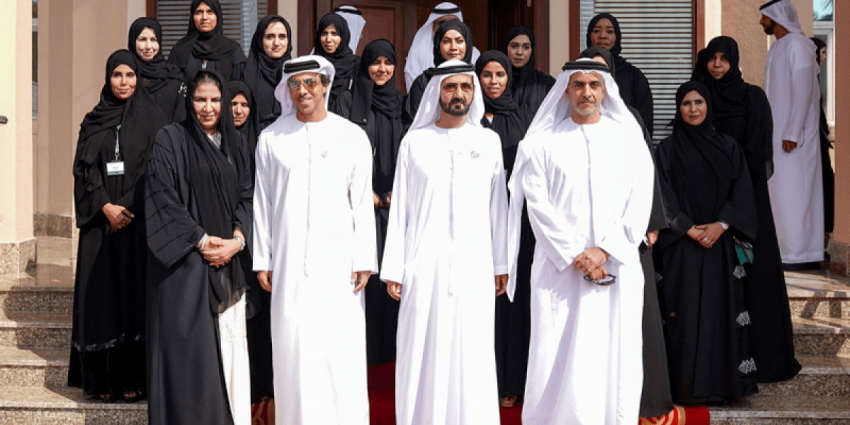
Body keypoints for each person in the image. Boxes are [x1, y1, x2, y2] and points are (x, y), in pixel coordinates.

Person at [507, 58, 654, 424]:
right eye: (578, 85)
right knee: (556, 352)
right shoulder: (542, 143)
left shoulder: (627, 139)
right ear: (566, 91)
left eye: (593, 84)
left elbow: (640, 200)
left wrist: (604, 250)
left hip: (616, 265)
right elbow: (537, 205)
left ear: (605, 91)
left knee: (614, 352)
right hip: (560, 271)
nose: (586, 92)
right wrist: (577, 254)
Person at [381, 59, 507, 425]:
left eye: (466, 87)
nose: (458, 93)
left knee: (472, 349)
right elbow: (401, 208)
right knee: (423, 347)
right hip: (424, 263)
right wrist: (395, 267)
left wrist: (500, 264)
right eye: (450, 87)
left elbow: (498, 208)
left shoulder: (488, 141)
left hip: (475, 263)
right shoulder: (414, 142)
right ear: (437, 92)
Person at [253, 55, 376, 425]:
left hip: (340, 266)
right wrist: (263, 259)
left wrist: (364, 258)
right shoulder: (271, 138)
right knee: (294, 349)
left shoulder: (351, 136)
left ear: (325, 85)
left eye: (310, 83)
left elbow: (361, 202)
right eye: (295, 84)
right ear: (287, 89)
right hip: (289, 264)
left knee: (339, 350)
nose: (303, 91)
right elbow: (262, 202)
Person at [145, 69, 254, 425]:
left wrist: (237, 241)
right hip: (185, 265)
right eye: (200, 99)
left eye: (215, 100)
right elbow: (162, 196)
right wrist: (202, 239)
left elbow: (249, 196)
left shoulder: (237, 144)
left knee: (229, 357)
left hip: (229, 264)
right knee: (187, 360)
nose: (208, 108)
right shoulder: (169, 139)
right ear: (188, 101)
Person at [695, 36, 801, 384]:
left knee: (754, 273)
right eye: (712, 58)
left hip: (747, 198)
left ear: (734, 61)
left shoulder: (752, 97)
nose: (717, 65)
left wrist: (731, 176)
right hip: (708, 199)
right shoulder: (700, 97)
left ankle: (764, 360)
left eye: (724, 58)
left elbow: (759, 150)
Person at [580, 45, 675, 419]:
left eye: (601, 73)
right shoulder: (571, 118)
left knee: (637, 318)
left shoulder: (629, 116)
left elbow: (645, 173)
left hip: (628, 232)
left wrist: (651, 221)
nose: (593, 82)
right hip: (586, 237)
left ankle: (644, 400)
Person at [69, 49, 167, 404]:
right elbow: (83, 169)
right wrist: (105, 207)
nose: (123, 82)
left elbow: (154, 170)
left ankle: (134, 379)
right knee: (102, 297)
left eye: (130, 75)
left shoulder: (154, 119)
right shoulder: (93, 119)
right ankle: (103, 381)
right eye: (117, 75)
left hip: (136, 223)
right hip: (100, 223)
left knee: (133, 297)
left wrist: (125, 207)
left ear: (138, 78)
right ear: (108, 78)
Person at [654, 81, 759, 405]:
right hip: (681, 248)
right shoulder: (666, 149)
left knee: (720, 315)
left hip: (720, 246)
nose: (693, 109)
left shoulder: (728, 146)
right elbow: (659, 193)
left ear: (708, 106)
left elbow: (742, 190)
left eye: (699, 102)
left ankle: (723, 387)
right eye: (686, 103)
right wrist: (687, 228)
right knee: (682, 316)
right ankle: (683, 389)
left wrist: (721, 225)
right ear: (678, 108)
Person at [332, 39, 406, 366]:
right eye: (376, 62)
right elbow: (339, 154)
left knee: (393, 281)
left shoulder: (403, 104)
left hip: (397, 210)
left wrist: (393, 195)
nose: (382, 69)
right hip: (358, 210)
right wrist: (366, 194)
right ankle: (363, 363)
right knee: (363, 281)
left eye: (388, 63)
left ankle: (391, 365)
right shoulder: (348, 102)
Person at [474, 50, 534, 409]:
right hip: (475, 222)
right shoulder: (468, 118)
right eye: (486, 75)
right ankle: (482, 383)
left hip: (517, 222)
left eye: (500, 74)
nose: (493, 81)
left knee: (512, 302)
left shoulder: (525, 118)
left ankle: (512, 382)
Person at [760, 0, 823, 269]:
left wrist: (793, 132)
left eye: (764, 18)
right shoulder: (778, 46)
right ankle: (784, 251)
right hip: (778, 136)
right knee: (781, 194)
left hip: (794, 139)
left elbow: (804, 91)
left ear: (777, 18)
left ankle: (800, 254)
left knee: (797, 193)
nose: (761, 22)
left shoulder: (798, 45)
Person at [586, 13, 654, 137]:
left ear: (617, 37)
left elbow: (645, 122)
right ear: (589, 36)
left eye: (609, 31)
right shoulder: (578, 73)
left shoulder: (634, 76)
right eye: (596, 31)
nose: (602, 36)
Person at [405, 19, 475, 124]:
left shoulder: (475, 80)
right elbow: (413, 124)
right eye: (446, 41)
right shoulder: (424, 82)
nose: (453, 47)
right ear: (438, 45)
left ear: (467, 45)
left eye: (459, 41)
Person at [404, 2, 480, 91]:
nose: (448, 26)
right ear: (433, 27)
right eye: (442, 22)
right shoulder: (418, 54)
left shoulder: (475, 54)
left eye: (453, 21)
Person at [168, 0, 247, 82]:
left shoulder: (232, 49)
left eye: (210, 12)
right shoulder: (180, 50)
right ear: (192, 16)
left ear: (217, 16)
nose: (204, 17)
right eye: (199, 12)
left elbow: (240, 85)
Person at [128, 18, 186, 123]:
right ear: (133, 42)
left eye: (153, 40)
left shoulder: (173, 77)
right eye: (142, 39)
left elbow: (181, 119)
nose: (148, 46)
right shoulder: (126, 77)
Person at [243, 15, 291, 130]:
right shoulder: (245, 73)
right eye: (270, 37)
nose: (276, 43)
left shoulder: (295, 74)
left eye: (282, 37)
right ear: (260, 40)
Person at [501, 25, 555, 114]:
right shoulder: (495, 81)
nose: (519, 52)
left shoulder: (545, 84)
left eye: (526, 47)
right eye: (514, 46)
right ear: (506, 48)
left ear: (531, 51)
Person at [811, 36, 834, 235]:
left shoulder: (814, 77)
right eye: (823, 52)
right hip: (815, 142)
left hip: (820, 139)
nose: (825, 57)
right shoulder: (808, 79)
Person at [313, 13, 360, 109]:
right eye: (324, 33)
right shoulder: (312, 63)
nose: (328, 39)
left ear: (343, 37)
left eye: (334, 34)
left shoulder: (355, 63)